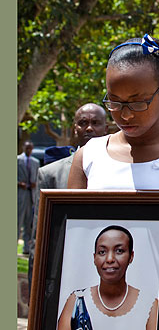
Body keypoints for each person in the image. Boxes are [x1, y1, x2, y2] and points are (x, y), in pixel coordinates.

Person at [68, 34, 159, 330]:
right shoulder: (88, 156)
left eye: (138, 103)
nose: (124, 114)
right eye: (114, 101)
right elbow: (72, 248)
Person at [28, 103, 108, 294]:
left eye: (95, 123)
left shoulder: (126, 171)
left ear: (106, 129)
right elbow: (38, 237)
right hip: (63, 273)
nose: (89, 128)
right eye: (83, 123)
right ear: (74, 129)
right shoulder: (51, 174)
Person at [57, 225, 158, 330]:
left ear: (131, 256)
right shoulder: (77, 302)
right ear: (94, 258)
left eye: (119, 251)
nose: (110, 259)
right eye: (102, 252)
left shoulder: (149, 306)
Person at [17, 140, 40, 254]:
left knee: (29, 223)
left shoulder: (35, 162)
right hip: (20, 194)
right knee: (18, 221)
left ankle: (26, 248)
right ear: (23, 148)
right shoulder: (17, 160)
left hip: (31, 194)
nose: (29, 150)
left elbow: (37, 177)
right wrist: (18, 183)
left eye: (30, 148)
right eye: (27, 148)